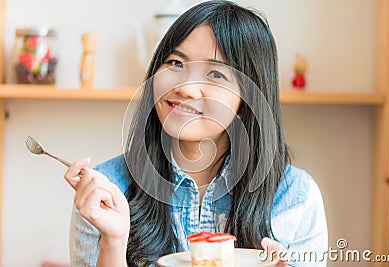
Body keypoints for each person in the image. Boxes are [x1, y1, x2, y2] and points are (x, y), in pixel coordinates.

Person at [64, 1, 328, 266]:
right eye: (176, 63)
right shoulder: (108, 191)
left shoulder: (295, 197)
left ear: (247, 104)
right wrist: (114, 242)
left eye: (215, 73)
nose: (186, 88)